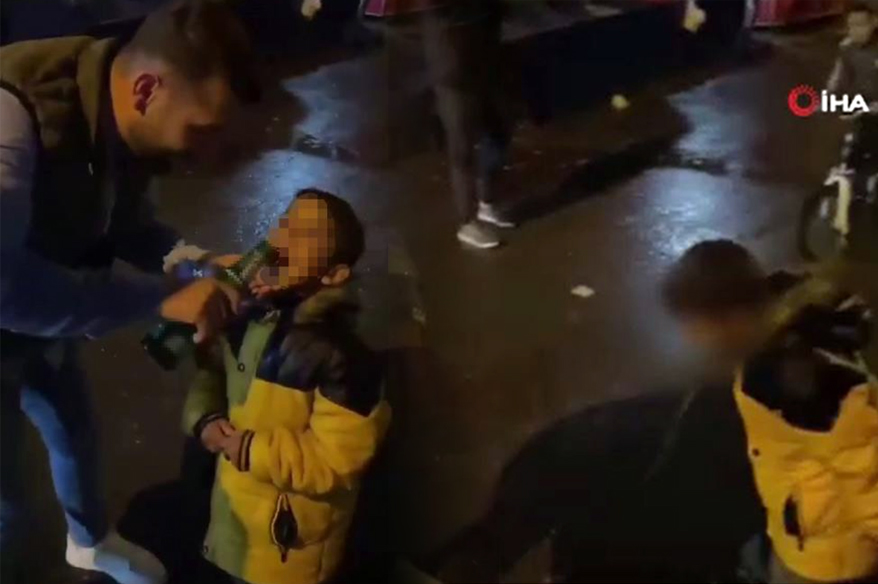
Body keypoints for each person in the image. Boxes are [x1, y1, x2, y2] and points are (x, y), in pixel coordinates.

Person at [0, 2, 259, 583]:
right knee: (8, 500)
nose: (208, 155)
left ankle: (90, 543)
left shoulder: (114, 108)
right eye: (204, 131)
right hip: (15, 306)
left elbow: (127, 222)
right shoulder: (11, 118)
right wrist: (155, 299)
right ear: (148, 89)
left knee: (74, 430)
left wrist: (194, 264)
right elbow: (3, 287)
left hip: (43, 317)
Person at [182, 188, 392, 584]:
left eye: (305, 233)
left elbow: (337, 460)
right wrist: (204, 417)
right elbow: (213, 373)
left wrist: (250, 449)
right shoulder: (248, 316)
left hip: (287, 551)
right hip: (233, 526)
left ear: (333, 274)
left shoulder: (343, 356)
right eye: (284, 223)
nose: (284, 237)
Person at [661, 240, 878, 584]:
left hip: (827, 554)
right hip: (804, 519)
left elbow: (861, 468)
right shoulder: (782, 318)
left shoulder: (787, 378)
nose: (689, 337)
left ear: (729, 318)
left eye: (693, 323)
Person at [827, 1, 878, 104]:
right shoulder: (847, 49)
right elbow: (837, 82)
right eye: (851, 26)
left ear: (874, 22)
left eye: (860, 25)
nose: (856, 31)